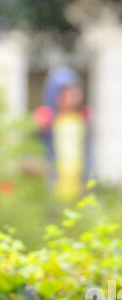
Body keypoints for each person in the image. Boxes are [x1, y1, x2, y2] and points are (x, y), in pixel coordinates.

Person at [34, 66, 93, 202]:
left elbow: (88, 153)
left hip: (78, 190)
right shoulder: (47, 119)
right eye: (69, 92)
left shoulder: (81, 119)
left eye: (77, 91)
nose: (75, 96)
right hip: (53, 190)